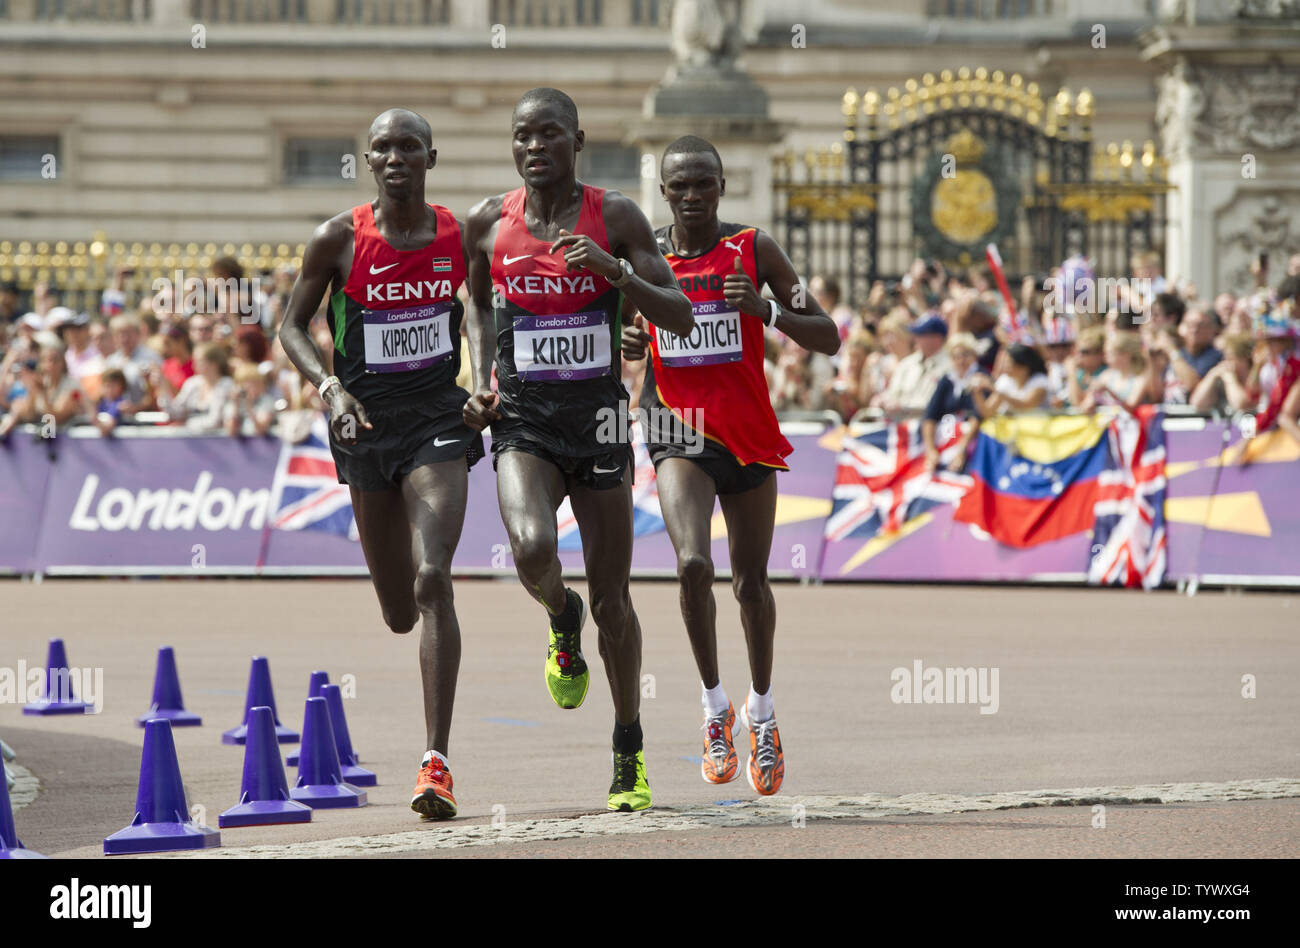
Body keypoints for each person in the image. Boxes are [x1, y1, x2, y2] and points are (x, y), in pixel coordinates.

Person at [461, 87, 692, 812]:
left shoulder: (615, 216)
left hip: (596, 423)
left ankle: (628, 746)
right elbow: (477, 307)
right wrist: (480, 377)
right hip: (524, 420)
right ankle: (562, 619)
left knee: (615, 600)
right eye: (523, 135)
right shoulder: (485, 225)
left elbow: (679, 314)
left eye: (549, 135)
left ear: (577, 141)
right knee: (531, 551)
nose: (535, 147)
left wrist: (615, 272)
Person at [278, 108, 484, 822]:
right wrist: (330, 388)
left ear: (432, 154)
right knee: (400, 610)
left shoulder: (458, 235)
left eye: (409, 147)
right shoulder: (337, 238)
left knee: (434, 579)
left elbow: (482, 309)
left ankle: (437, 762)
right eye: (383, 148)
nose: (396, 157)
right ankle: (407, 612)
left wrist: (482, 380)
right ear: (368, 160)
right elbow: (290, 326)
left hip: (437, 420)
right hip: (362, 427)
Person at [618, 135, 838, 795]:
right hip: (675, 427)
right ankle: (714, 708)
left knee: (750, 585)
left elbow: (827, 334)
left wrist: (765, 309)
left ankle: (761, 712)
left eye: (703, 185)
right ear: (664, 192)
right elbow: (620, 330)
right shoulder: (645, 255)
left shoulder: (753, 248)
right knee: (691, 564)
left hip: (745, 432)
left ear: (720, 186)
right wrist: (629, 336)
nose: (691, 197)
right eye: (679, 186)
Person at [922, 331, 984, 472]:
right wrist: (930, 450)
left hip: (971, 440)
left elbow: (977, 416)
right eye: (956, 357)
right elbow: (930, 416)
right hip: (946, 436)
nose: (960, 361)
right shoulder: (947, 379)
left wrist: (961, 451)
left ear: (974, 355)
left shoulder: (981, 378)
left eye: (965, 355)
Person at [874, 313, 951, 412]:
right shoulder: (907, 363)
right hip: (897, 421)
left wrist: (904, 406)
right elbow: (893, 393)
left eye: (921, 334)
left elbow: (937, 405)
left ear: (937, 338)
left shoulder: (949, 366)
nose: (916, 338)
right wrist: (881, 400)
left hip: (926, 423)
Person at [159, 341, 234, 431]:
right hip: (193, 441)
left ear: (213, 364)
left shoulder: (226, 385)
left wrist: (186, 424)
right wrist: (163, 387)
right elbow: (175, 413)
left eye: (200, 361)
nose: (194, 365)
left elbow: (215, 421)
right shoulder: (192, 383)